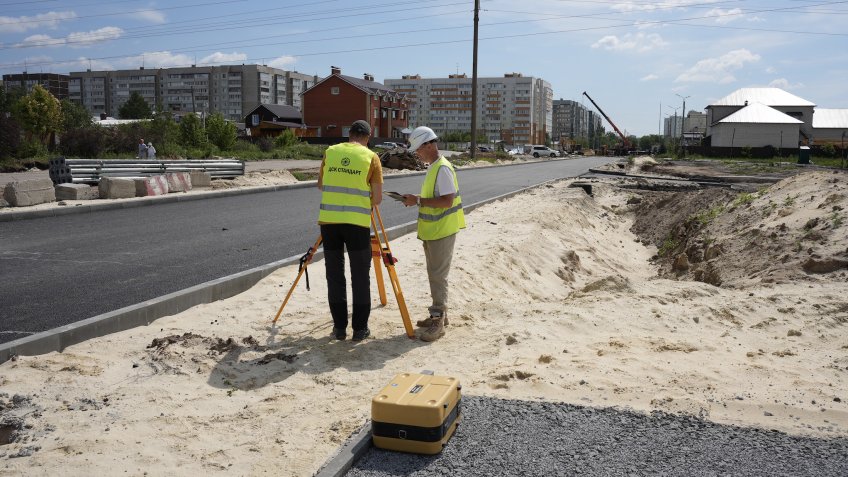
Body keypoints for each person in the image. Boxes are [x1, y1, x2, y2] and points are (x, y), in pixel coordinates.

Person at [317, 120, 383, 342]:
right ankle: (359, 329)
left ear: (349, 134)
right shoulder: (371, 157)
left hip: (329, 223)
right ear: (368, 135)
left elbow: (321, 184)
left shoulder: (330, 152)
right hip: (357, 224)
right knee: (360, 276)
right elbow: (378, 198)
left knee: (335, 275)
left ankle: (339, 329)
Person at [401, 126, 465, 342]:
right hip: (434, 231)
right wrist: (416, 198)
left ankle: (438, 320)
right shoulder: (434, 167)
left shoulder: (443, 168)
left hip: (442, 231)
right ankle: (439, 315)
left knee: (438, 277)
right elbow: (436, 196)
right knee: (434, 275)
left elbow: (447, 201)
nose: (417, 153)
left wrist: (418, 200)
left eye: (419, 149)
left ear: (429, 144)